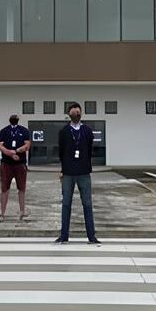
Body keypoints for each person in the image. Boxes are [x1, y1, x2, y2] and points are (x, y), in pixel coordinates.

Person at [55, 103, 100, 244]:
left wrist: (86, 164)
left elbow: (90, 149)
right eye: (74, 113)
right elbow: (61, 152)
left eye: (78, 112)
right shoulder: (64, 131)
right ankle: (64, 235)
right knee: (66, 204)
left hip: (84, 172)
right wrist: (63, 169)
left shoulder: (87, 131)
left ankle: (91, 236)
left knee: (87, 204)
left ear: (81, 114)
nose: (76, 115)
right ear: (69, 114)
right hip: (68, 172)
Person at [0, 113, 31, 221]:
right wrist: (9, 153)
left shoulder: (24, 131)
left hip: (20, 163)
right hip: (6, 163)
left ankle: (22, 211)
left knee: (21, 188)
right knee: (4, 188)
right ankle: (2, 212)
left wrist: (17, 151)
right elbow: (0, 146)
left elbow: (27, 145)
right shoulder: (4, 131)